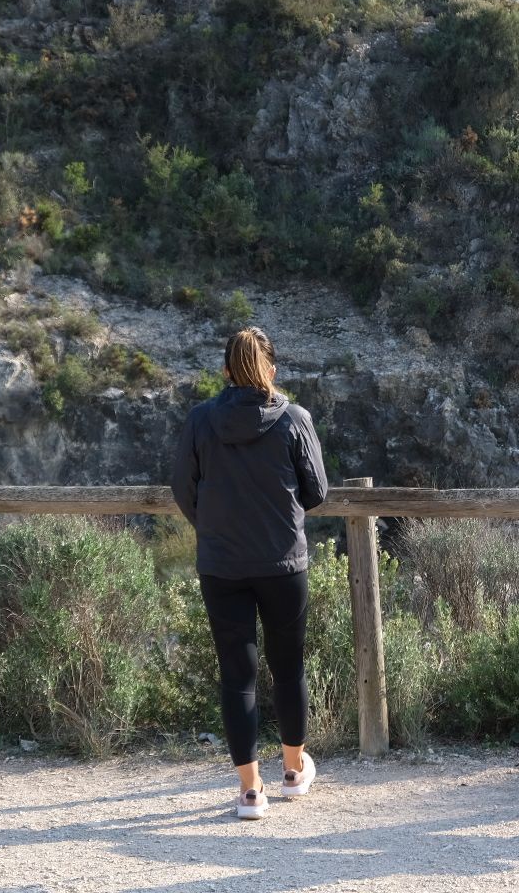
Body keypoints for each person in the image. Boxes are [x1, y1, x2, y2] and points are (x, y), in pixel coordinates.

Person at [172, 326, 329, 821]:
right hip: (284, 563)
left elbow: (182, 488)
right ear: (272, 370)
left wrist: (213, 526)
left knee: (237, 677)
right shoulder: (295, 420)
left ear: (225, 371)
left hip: (222, 566)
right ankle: (291, 771)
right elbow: (317, 492)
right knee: (289, 668)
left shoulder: (200, 421)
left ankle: (249, 792)